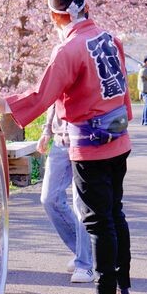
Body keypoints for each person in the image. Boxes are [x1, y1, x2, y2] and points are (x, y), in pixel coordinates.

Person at [0, 0, 133, 294]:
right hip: (118, 137)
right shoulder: (108, 38)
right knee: (114, 213)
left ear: (57, 15)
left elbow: (42, 96)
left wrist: (0, 104)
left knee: (98, 220)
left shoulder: (69, 48)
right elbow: (124, 86)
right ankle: (121, 289)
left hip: (90, 144)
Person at [38, 104, 95, 283]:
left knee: (81, 204)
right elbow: (54, 98)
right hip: (59, 141)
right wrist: (47, 131)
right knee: (49, 199)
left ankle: (85, 264)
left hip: (84, 138)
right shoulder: (57, 74)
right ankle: (83, 252)